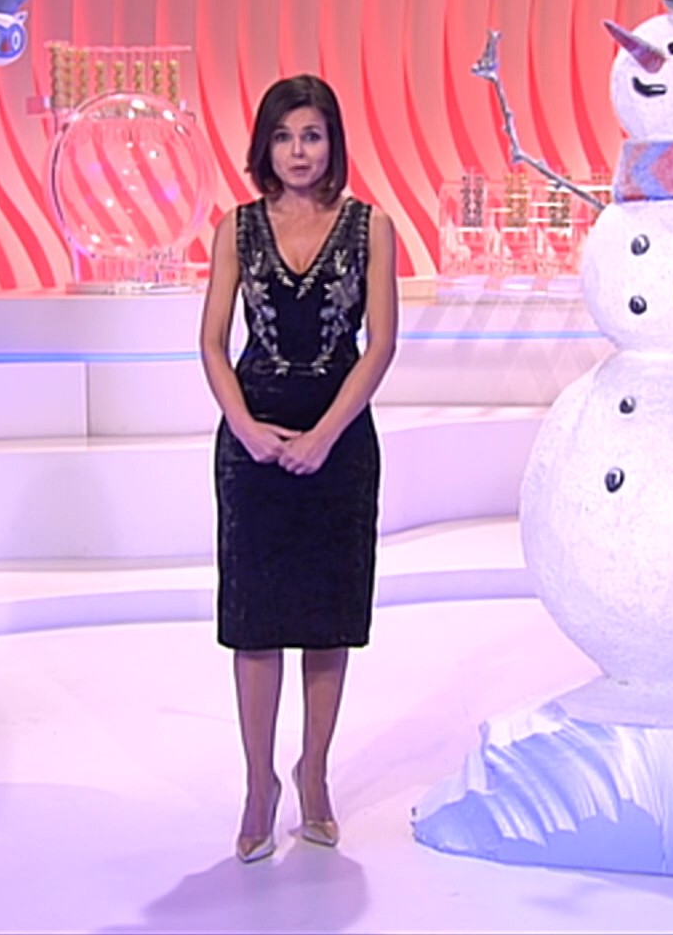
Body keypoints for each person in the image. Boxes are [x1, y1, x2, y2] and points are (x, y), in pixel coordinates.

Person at [198, 74, 399, 864]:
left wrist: (324, 436)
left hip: (339, 443)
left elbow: (379, 345)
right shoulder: (237, 228)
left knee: (326, 619)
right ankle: (260, 785)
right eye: (284, 137)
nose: (298, 151)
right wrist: (245, 427)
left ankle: (313, 774)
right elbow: (213, 343)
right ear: (265, 146)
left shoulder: (371, 227)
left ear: (332, 142)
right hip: (252, 448)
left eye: (312, 135)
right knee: (255, 625)